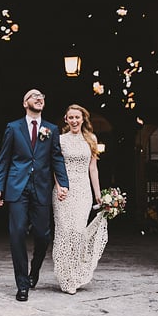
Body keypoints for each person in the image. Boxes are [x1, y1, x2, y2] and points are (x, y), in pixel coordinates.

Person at [0, 89, 70, 302]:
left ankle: (34, 270)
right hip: (17, 187)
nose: (39, 98)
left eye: (42, 97)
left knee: (43, 235)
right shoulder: (13, 127)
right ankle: (22, 284)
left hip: (41, 187)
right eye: (34, 96)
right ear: (25, 103)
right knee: (16, 233)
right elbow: (3, 160)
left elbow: (57, 159)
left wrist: (63, 184)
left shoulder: (51, 129)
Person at [52, 104, 107, 294]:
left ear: (83, 119)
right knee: (64, 232)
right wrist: (59, 187)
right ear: (66, 120)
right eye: (71, 117)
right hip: (64, 192)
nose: (74, 121)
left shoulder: (91, 139)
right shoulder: (59, 140)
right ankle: (65, 277)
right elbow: (55, 167)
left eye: (78, 117)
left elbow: (93, 169)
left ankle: (74, 273)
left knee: (77, 232)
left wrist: (98, 194)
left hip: (83, 192)